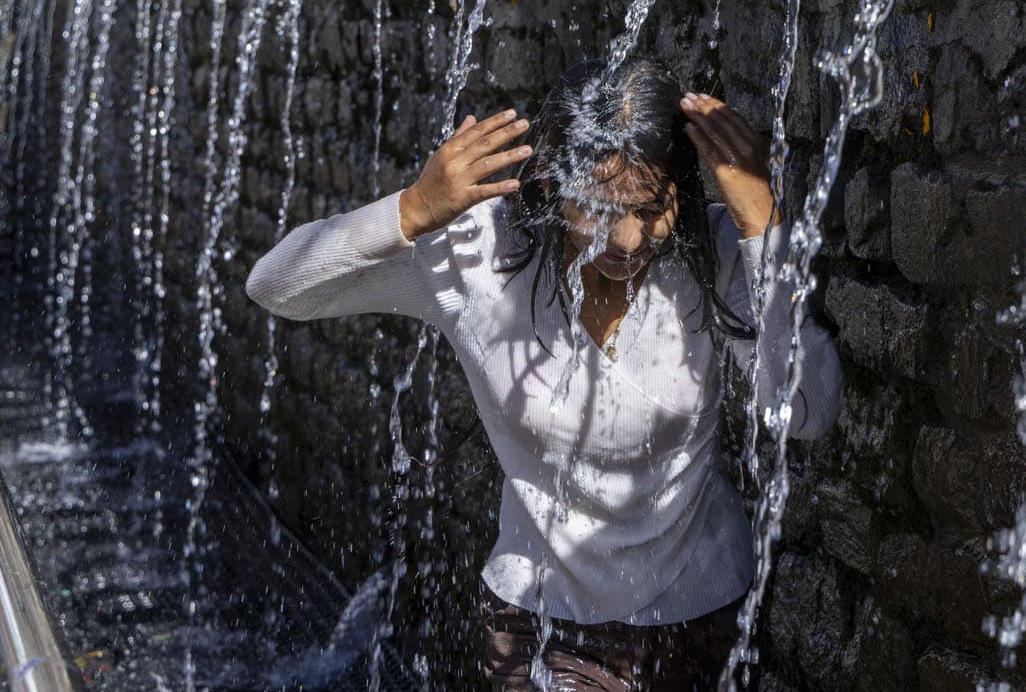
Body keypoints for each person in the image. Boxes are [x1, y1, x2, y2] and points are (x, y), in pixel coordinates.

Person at [245, 56, 842, 691]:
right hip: (541, 620)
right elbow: (277, 286)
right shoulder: (483, 256)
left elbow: (806, 412)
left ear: (681, 189)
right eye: (599, 208)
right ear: (554, 183)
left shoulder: (713, 253)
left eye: (650, 207)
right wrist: (411, 209)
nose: (628, 239)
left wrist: (763, 230)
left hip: (698, 616)